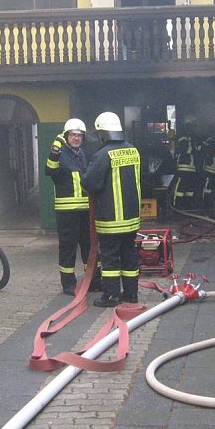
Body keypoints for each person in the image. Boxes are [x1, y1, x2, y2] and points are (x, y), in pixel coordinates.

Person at [81, 112, 142, 307]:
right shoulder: (133, 150)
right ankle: (131, 294)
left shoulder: (103, 154)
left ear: (103, 133)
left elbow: (90, 183)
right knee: (129, 255)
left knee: (110, 258)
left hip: (111, 219)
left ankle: (110, 296)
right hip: (132, 218)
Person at [46, 118, 98, 295]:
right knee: (68, 247)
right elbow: (50, 170)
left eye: (79, 135)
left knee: (88, 245)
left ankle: (93, 279)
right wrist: (55, 149)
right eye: (73, 135)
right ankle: (68, 284)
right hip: (67, 211)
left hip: (85, 210)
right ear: (66, 136)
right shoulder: (60, 153)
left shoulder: (81, 154)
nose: (76, 138)